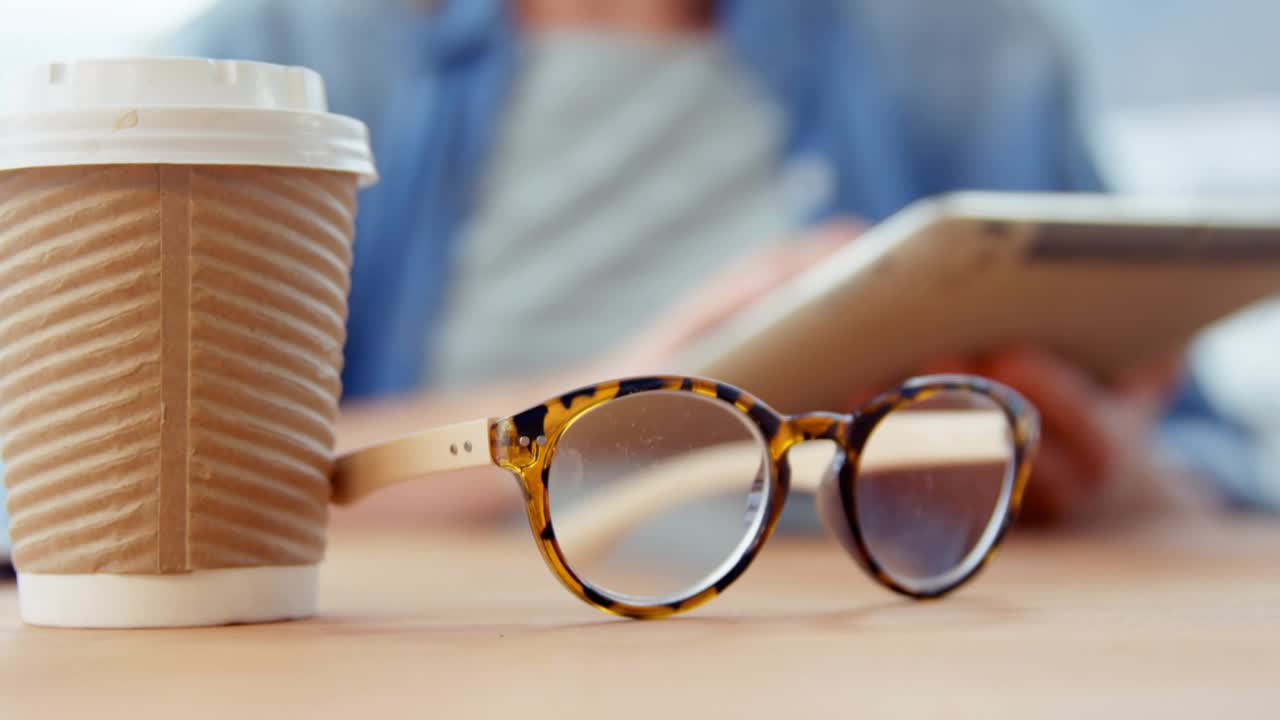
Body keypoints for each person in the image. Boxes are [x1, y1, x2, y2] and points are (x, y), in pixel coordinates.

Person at [166, 0, 1260, 529]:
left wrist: (1117, 486)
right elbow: (119, 488)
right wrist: (622, 402)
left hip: (912, 656)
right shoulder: (276, 60)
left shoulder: (968, 57)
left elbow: (1215, 475)